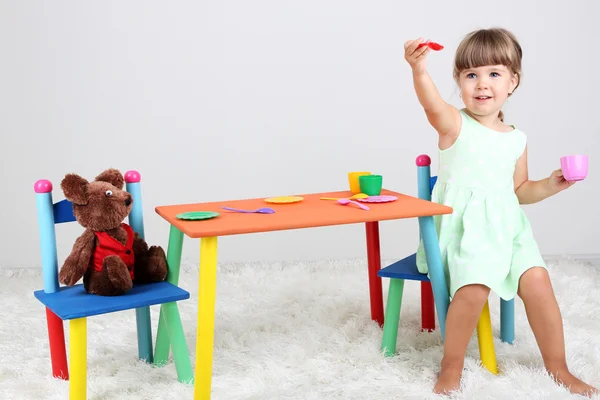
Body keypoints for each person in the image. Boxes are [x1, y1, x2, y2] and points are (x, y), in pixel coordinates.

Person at [406, 28, 597, 396]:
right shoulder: (454, 125)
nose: (482, 84)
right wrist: (418, 70)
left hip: (509, 231)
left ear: (513, 82)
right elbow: (431, 105)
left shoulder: (516, 138)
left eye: (494, 74)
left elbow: (519, 191)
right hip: (466, 232)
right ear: (459, 82)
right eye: (471, 75)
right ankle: (451, 366)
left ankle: (559, 367)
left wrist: (551, 185)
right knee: (474, 288)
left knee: (540, 281)